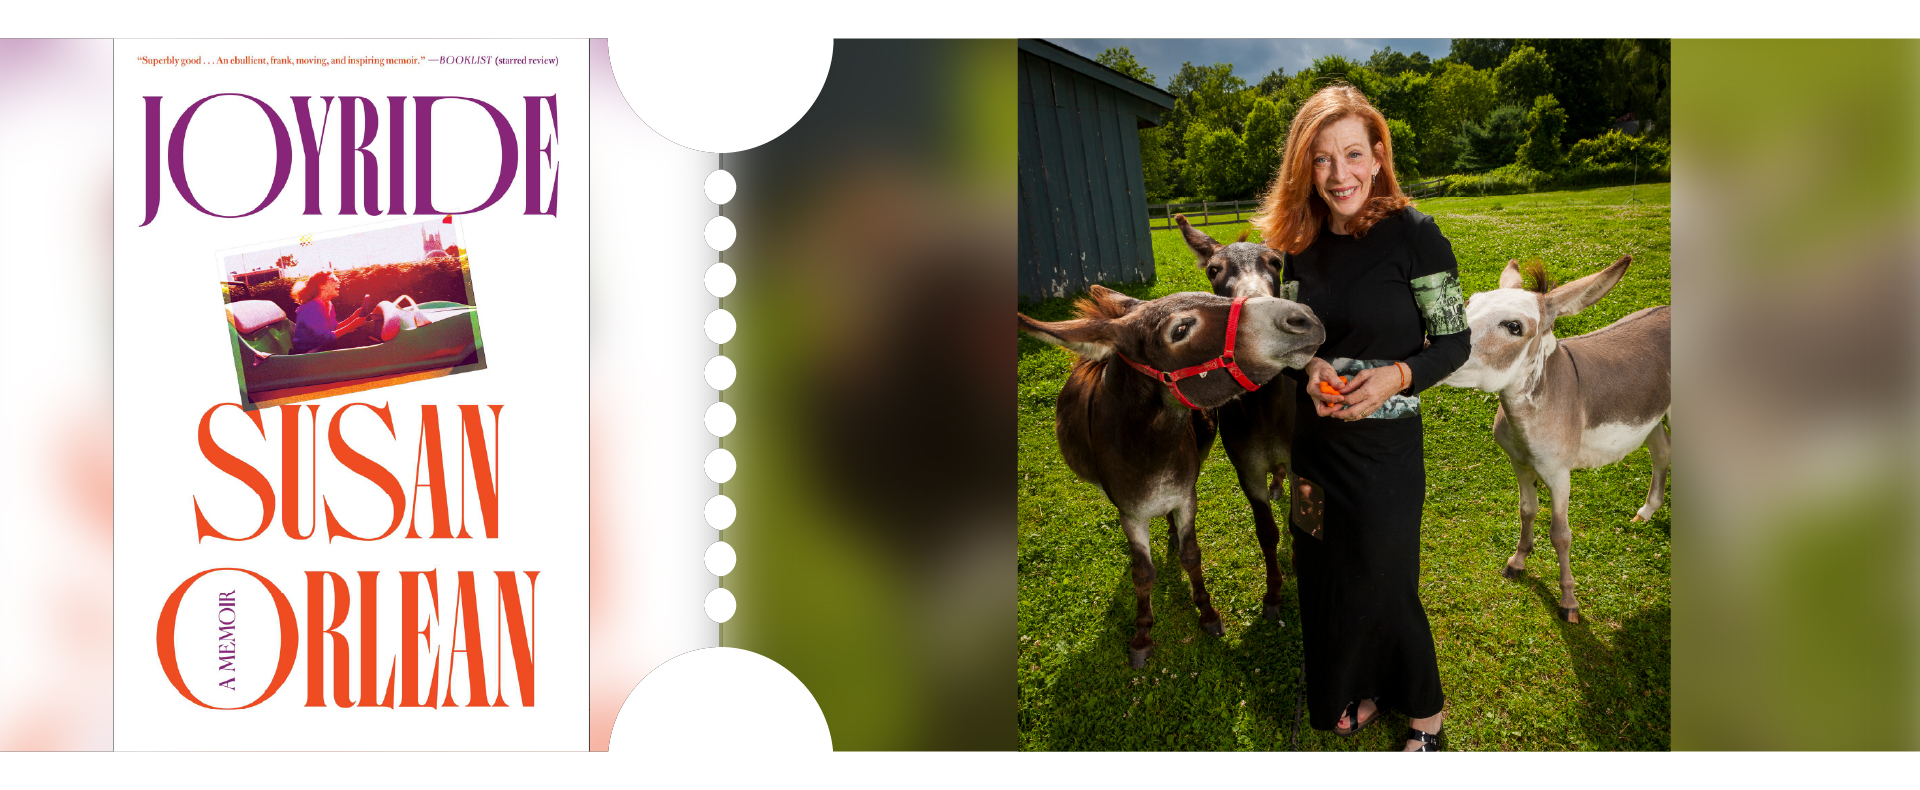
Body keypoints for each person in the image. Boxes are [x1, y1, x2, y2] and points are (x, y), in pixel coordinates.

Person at [1252, 85, 1470, 751]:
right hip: (1315, 449)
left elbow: (1455, 342)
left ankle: (1426, 715)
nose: (1339, 174)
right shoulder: (1297, 245)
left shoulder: (1417, 238)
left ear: (1378, 158)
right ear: (1305, 169)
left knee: (1383, 577)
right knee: (1325, 572)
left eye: (1352, 154)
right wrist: (1309, 369)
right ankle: (1363, 685)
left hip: (1384, 456)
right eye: (1321, 159)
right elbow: (1289, 342)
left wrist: (1397, 375)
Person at [288, 270, 374, 354]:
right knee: (358, 338)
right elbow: (325, 338)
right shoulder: (310, 309)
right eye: (333, 280)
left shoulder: (328, 304)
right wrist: (352, 325)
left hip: (321, 347)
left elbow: (334, 328)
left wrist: (353, 317)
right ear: (322, 286)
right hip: (308, 353)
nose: (338, 282)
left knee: (360, 334)